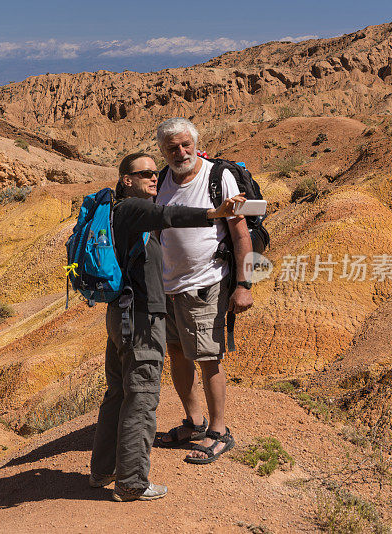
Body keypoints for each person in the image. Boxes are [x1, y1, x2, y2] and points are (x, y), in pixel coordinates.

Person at [89, 152, 244, 501]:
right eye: (143, 173)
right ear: (126, 179)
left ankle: (102, 471)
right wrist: (213, 214)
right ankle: (131, 482)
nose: (152, 177)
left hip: (121, 314)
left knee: (117, 392)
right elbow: (168, 214)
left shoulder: (117, 209)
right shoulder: (133, 208)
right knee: (141, 396)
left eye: (152, 172)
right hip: (141, 318)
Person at [153, 117, 254, 464]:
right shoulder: (162, 179)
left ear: (195, 144)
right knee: (178, 354)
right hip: (168, 286)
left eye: (185, 145)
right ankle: (194, 422)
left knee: (209, 359)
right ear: (163, 151)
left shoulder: (218, 177)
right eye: (172, 148)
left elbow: (241, 234)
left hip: (207, 283)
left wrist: (243, 284)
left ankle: (219, 432)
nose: (180, 152)